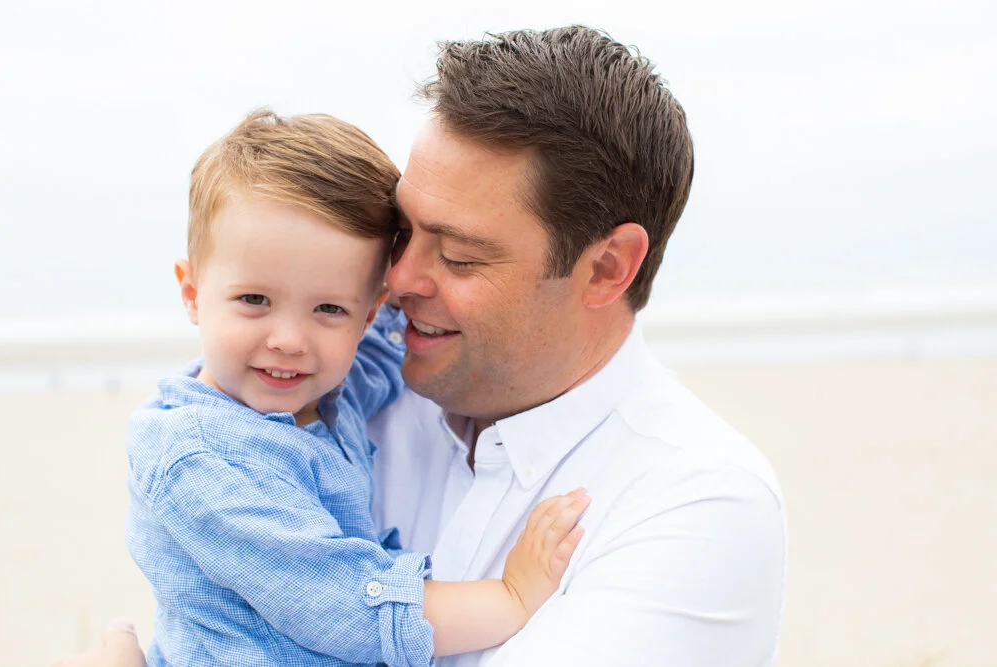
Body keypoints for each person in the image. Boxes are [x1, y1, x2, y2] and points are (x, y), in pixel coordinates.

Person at [58, 25, 785, 667]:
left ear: (605, 267)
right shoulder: (326, 392)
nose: (397, 282)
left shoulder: (698, 502)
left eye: (460, 256)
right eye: (403, 233)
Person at [122, 109, 588, 667]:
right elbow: (344, 607)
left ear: (367, 316)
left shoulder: (323, 395)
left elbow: (383, 352)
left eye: (328, 309)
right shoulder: (202, 458)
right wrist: (510, 597)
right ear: (193, 292)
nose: (289, 340)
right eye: (254, 301)